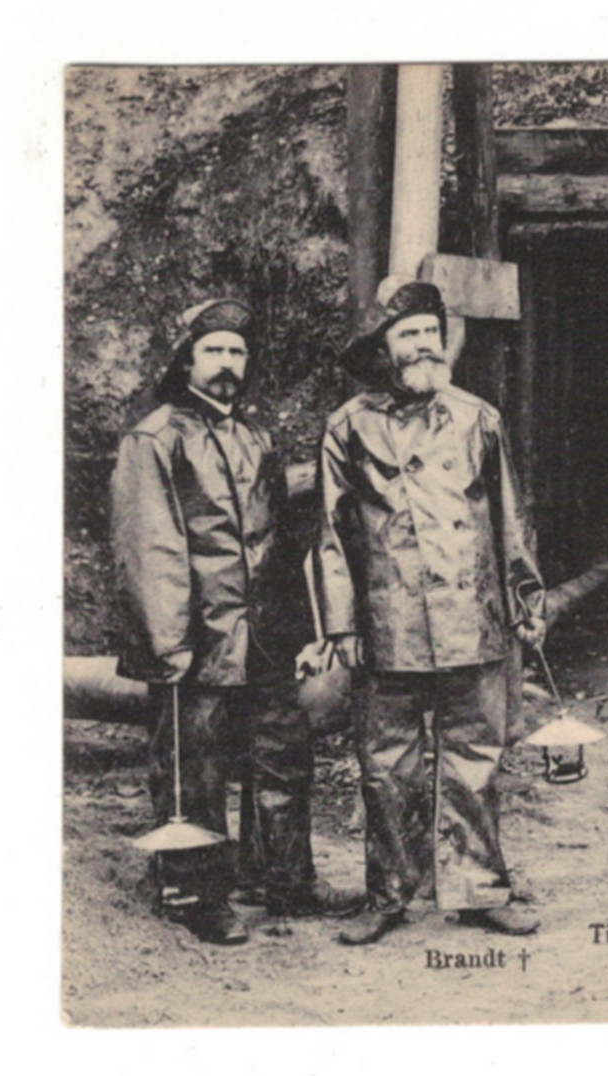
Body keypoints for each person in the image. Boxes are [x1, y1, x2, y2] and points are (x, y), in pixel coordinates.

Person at [110, 298, 362, 946]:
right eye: (214, 350)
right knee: (195, 770)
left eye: (237, 352)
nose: (228, 363)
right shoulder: (156, 437)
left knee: (283, 752)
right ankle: (198, 892)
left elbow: (276, 530)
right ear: (186, 359)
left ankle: (284, 879)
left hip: (265, 636)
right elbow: (151, 547)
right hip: (196, 640)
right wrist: (170, 645)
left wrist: (302, 628)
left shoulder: (254, 436)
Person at [317, 278, 548, 945]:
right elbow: (331, 533)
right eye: (408, 335)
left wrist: (526, 599)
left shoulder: (478, 417)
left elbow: (510, 517)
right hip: (388, 622)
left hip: (472, 616)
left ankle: (480, 889)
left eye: (430, 332)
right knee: (386, 762)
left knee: (476, 755)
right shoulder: (348, 424)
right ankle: (388, 892)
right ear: (382, 348)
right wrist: (341, 624)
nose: (423, 345)